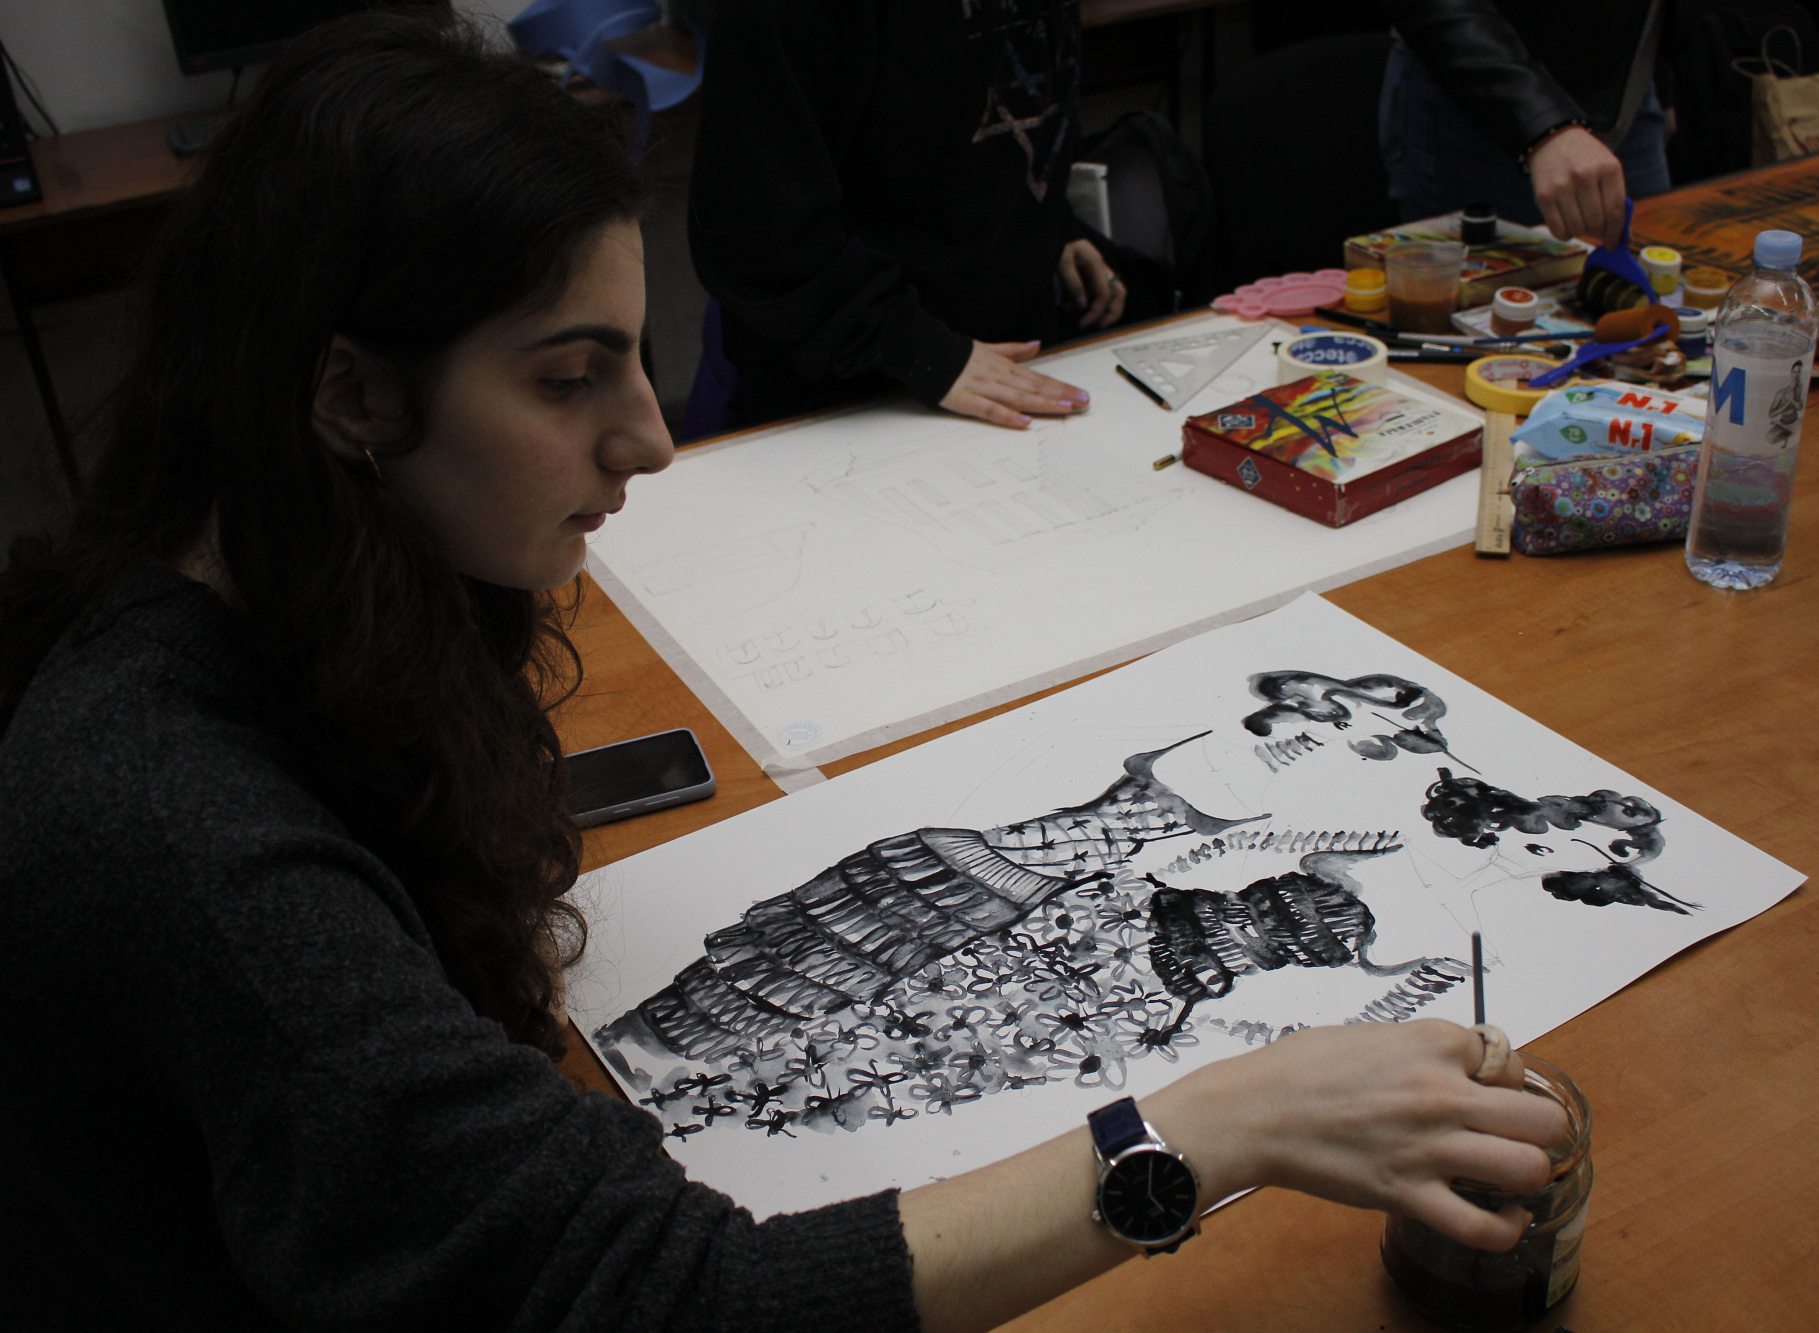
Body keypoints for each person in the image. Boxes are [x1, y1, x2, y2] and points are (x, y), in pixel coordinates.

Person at [0, 12, 1564, 1329]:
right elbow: (656, 1296)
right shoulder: (185, 830)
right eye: (569, 378)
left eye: (633, 353)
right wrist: (1216, 1122)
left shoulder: (335, 595)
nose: (648, 437)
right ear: (350, 396)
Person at [682, 0, 1126, 435]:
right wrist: (918, 348)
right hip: (855, 391)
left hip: (1008, 358)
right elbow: (754, 228)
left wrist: (1054, 223)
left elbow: (1003, 89)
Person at [1378, 0, 1674, 243]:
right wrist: (1543, 125)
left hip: (1629, 94)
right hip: (1486, 100)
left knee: (1659, 287)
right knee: (1492, 294)